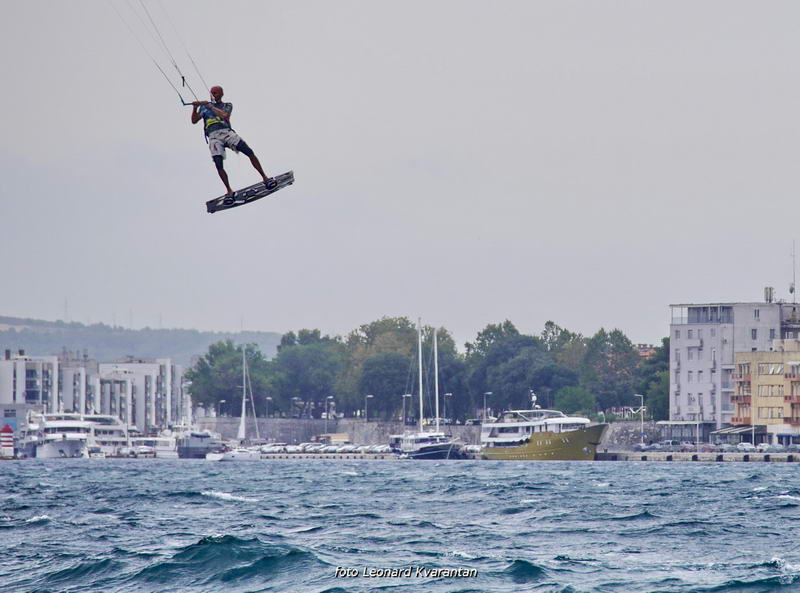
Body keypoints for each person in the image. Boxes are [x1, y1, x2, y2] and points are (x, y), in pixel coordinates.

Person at [191, 85, 276, 200]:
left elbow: (225, 115)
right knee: (218, 163)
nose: (213, 95)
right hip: (213, 137)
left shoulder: (227, 105)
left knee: (249, 151)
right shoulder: (204, 108)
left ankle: (265, 178)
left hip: (226, 132)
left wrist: (210, 106)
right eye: (212, 93)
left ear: (221, 94)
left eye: (215, 93)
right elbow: (194, 121)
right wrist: (195, 108)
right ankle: (229, 190)